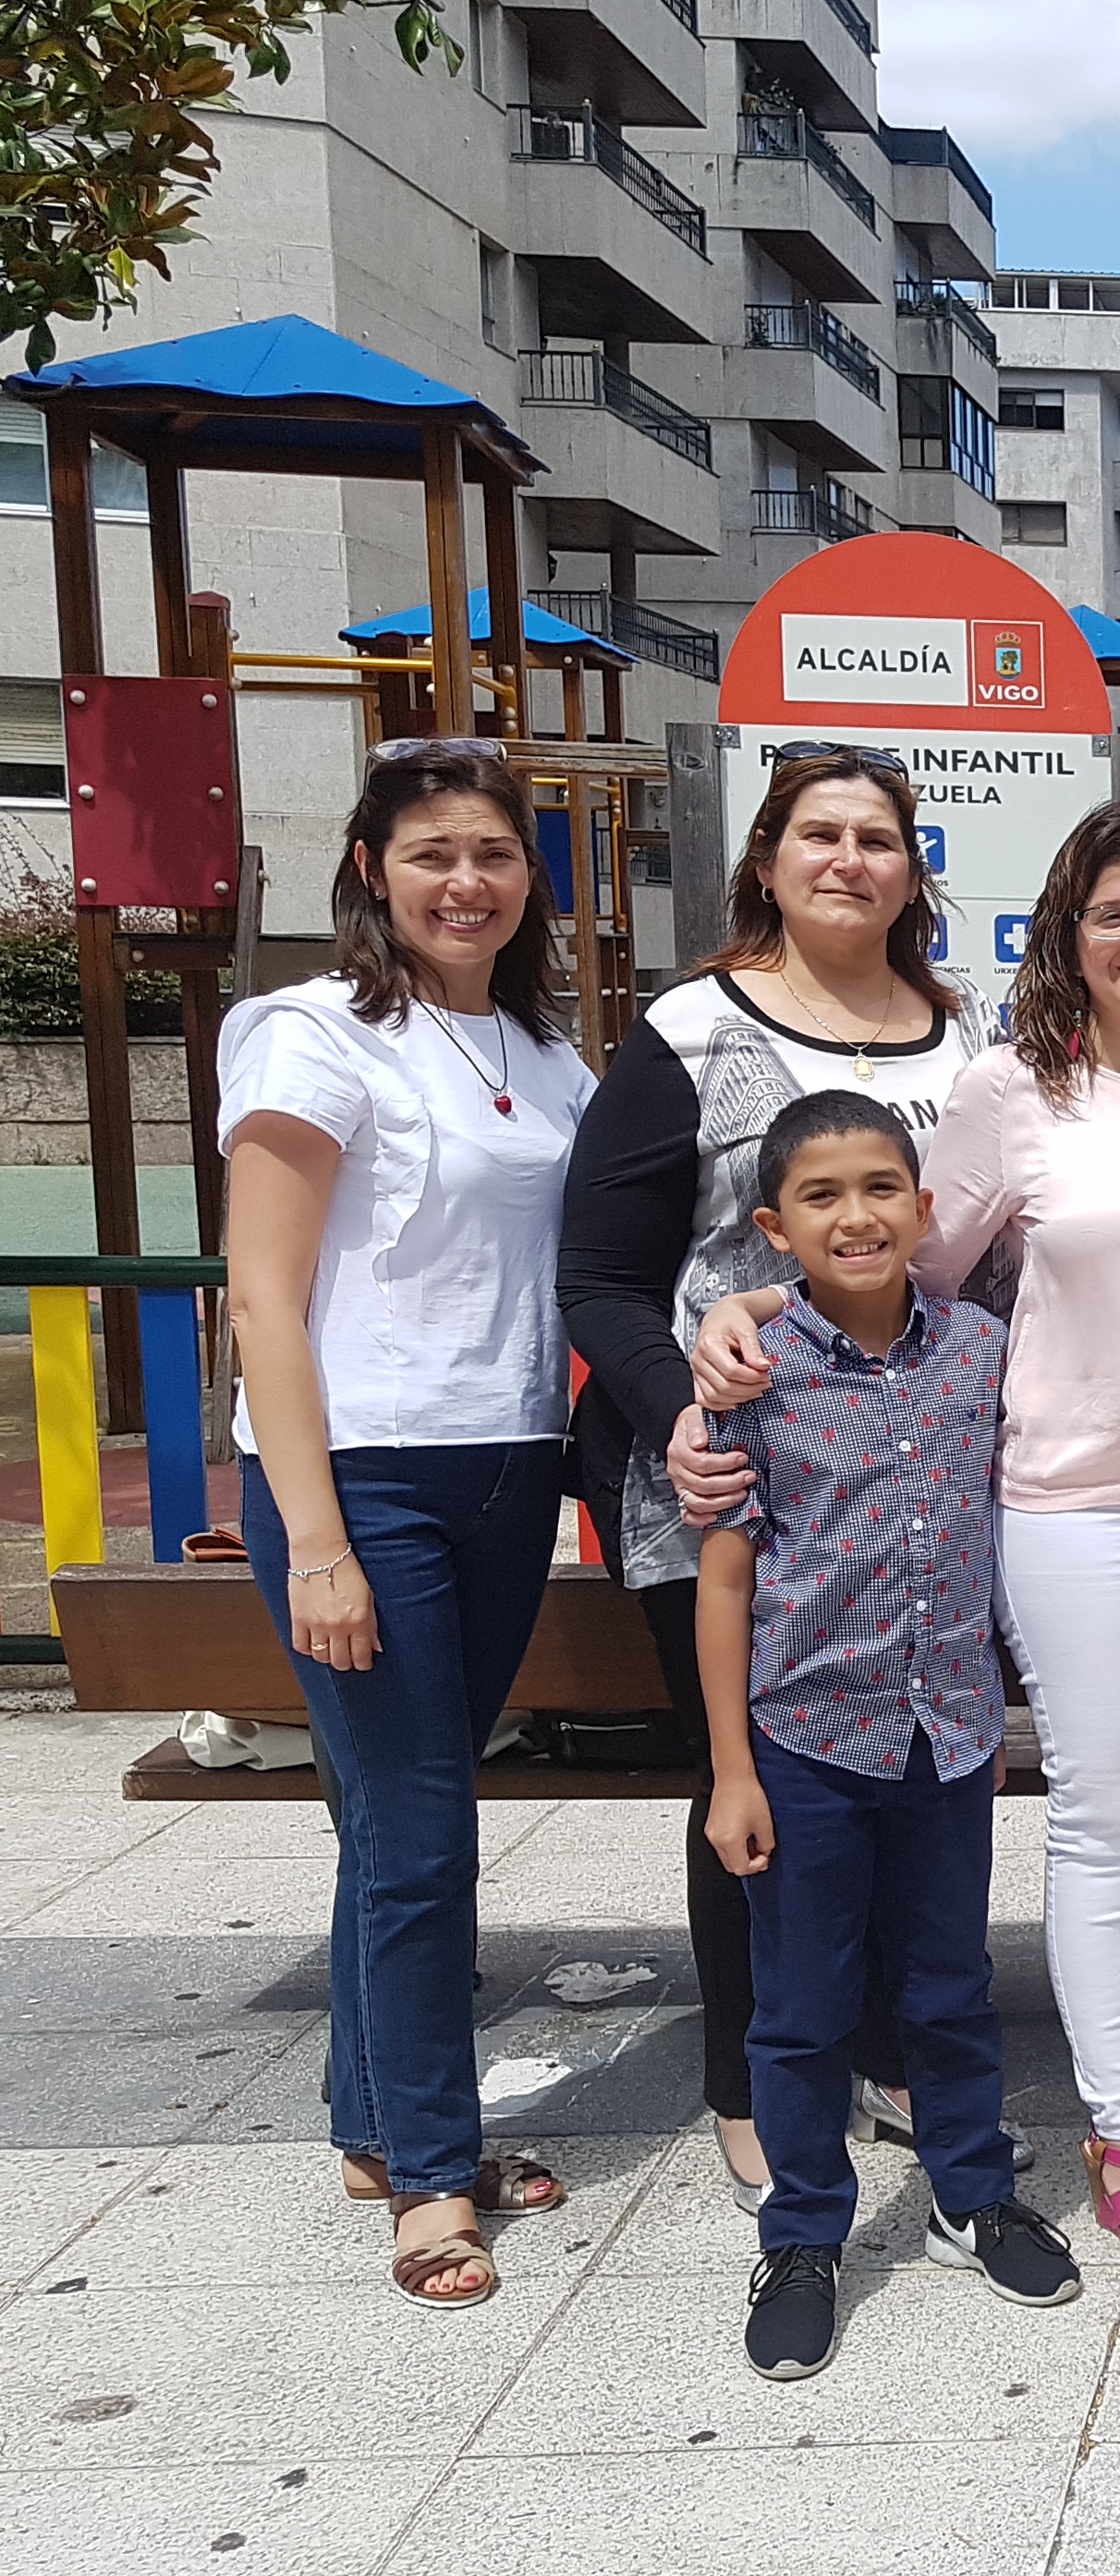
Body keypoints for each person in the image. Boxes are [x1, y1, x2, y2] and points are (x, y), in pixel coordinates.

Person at [691, 799, 1120, 2272]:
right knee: (1111, 1821)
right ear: (1070, 932)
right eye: (1114, 912)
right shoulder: (1013, 1089)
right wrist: (741, 1308)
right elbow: (893, 1259)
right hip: (1072, 1507)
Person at [556, 746, 998, 2210]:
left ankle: (876, 2047)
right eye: (821, 833)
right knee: (757, 1788)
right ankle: (751, 2076)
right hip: (722, 1477)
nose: (850, 860)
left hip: (906, 1483)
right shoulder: (689, 1029)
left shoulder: (968, 1030)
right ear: (767, 857)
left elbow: (991, 1250)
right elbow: (605, 1274)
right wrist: (690, 1395)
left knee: (900, 1772)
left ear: (913, 868)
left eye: (881, 837)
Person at [223, 738, 595, 2306]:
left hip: (509, 1461)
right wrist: (312, 1533)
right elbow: (262, 1293)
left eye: (496, 855)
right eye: (433, 852)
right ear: (373, 864)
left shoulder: (545, 1050)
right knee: (429, 1832)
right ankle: (437, 2180)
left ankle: (378, 2119)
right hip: (364, 1474)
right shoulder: (313, 1035)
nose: (467, 881)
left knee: (392, 1825)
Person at [699, 1091, 1081, 2376]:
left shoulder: (979, 1349)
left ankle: (972, 2195)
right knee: (801, 2009)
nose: (855, 1215)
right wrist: (733, 1772)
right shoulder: (758, 1376)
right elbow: (727, 1579)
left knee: (949, 1985)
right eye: (821, 1195)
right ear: (774, 1228)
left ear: (925, 1209)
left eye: (881, 1188)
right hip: (807, 1742)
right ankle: (804, 2230)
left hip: (949, 1736)